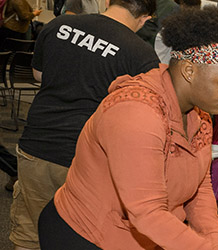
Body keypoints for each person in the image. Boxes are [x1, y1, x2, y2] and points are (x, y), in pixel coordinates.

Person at [37, 7, 218, 249]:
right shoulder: (137, 114)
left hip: (143, 238)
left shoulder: (201, 115)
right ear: (189, 71)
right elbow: (147, 211)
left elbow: (200, 188)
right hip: (86, 236)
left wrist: (214, 241)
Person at [12, 0, 160, 248]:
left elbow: (38, 75)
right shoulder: (141, 54)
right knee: (79, 234)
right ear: (145, 18)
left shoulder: (59, 24)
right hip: (89, 158)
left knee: (29, 230)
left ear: (108, 2)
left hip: (38, 144)